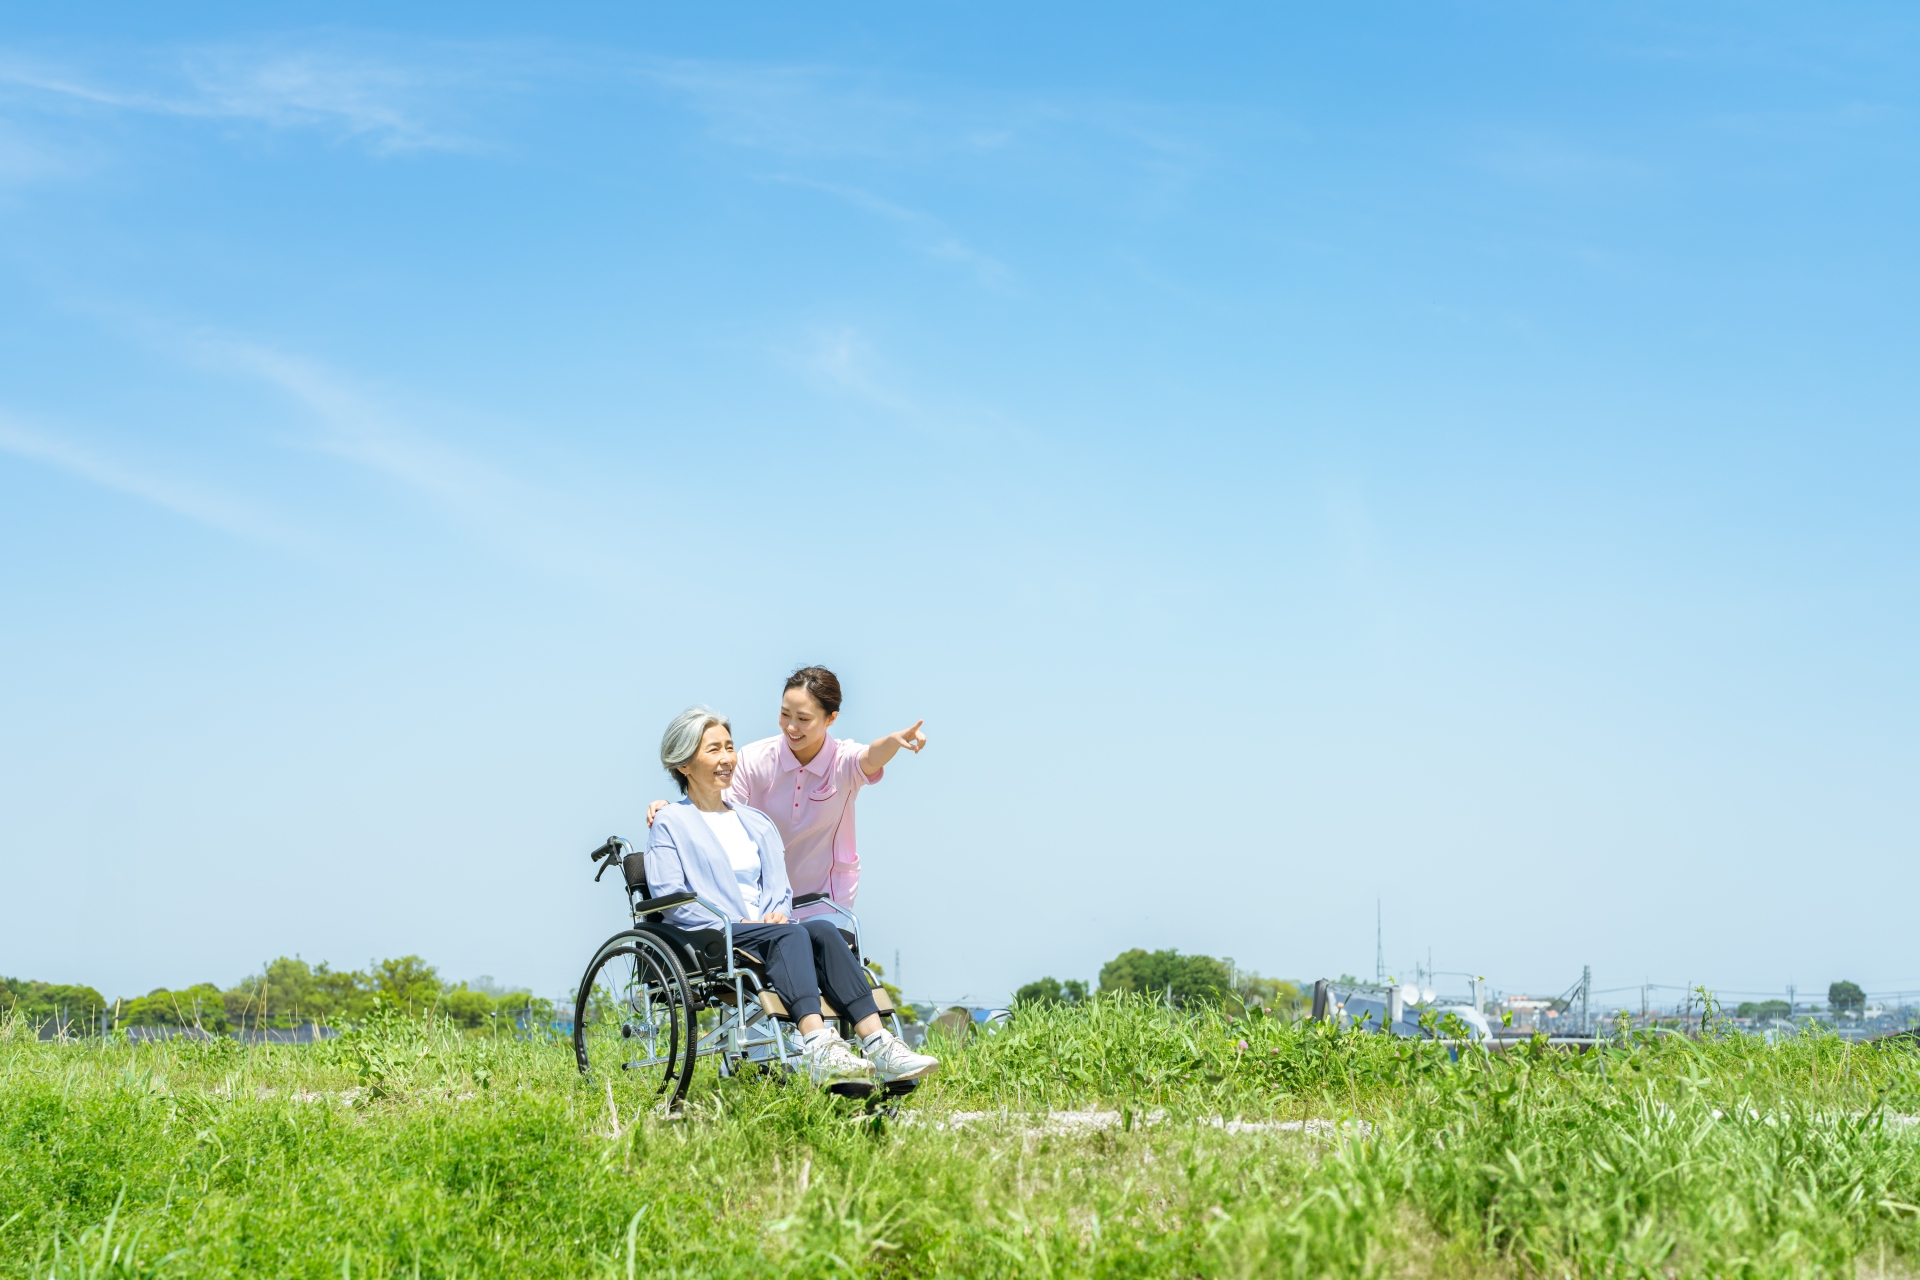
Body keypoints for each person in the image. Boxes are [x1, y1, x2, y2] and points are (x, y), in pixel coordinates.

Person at [644, 705, 938, 1087]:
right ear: (684, 764)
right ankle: (816, 1043)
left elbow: (780, 889)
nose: (726, 759)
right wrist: (739, 924)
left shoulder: (755, 821)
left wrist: (779, 913)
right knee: (793, 934)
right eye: (713, 750)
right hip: (712, 934)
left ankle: (878, 1042)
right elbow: (671, 898)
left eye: (730, 748)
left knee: (823, 931)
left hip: (768, 931)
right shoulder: (671, 822)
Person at [650, 666, 925, 923]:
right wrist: (677, 810)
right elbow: (718, 809)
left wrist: (892, 742)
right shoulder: (754, 758)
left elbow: (869, 757)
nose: (791, 727)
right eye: (785, 714)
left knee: (826, 945)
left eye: (803, 719)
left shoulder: (842, 761)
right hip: (763, 897)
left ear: (831, 718)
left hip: (824, 894)